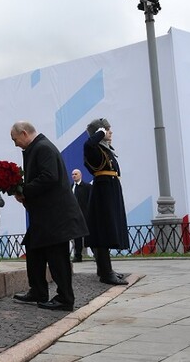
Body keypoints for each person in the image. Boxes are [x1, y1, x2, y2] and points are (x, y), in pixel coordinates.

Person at [9, 121, 88, 312]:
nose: (15, 144)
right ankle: (38, 291)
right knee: (34, 249)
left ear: (24, 133)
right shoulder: (38, 147)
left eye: (15, 139)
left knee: (57, 258)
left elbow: (49, 177)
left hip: (55, 215)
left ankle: (65, 299)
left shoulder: (42, 148)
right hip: (45, 215)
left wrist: (24, 191)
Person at [83, 118, 130, 285]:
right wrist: (100, 133)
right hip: (103, 192)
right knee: (103, 232)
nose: (110, 132)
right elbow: (88, 145)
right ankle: (106, 273)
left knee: (106, 231)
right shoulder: (93, 148)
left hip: (110, 190)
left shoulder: (104, 149)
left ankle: (105, 269)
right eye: (106, 129)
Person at [70, 169, 92, 262]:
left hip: (85, 215)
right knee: (77, 236)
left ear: (80, 175)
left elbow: (90, 200)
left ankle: (96, 254)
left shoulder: (87, 187)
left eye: (76, 174)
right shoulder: (70, 187)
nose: (74, 176)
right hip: (75, 215)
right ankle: (78, 255)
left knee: (89, 235)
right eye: (72, 174)